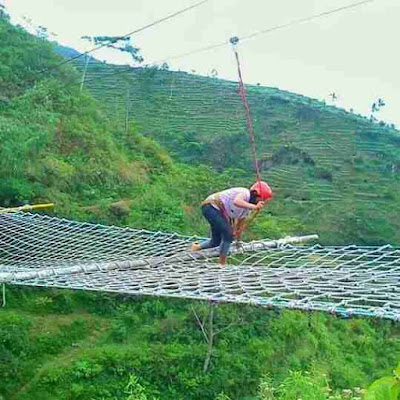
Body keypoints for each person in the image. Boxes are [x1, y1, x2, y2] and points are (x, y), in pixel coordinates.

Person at [191, 181, 273, 265]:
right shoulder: (245, 193)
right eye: (261, 199)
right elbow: (237, 202)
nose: (261, 202)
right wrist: (255, 207)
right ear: (255, 193)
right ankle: (222, 264)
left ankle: (196, 247)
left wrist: (238, 234)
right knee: (228, 233)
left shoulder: (246, 208)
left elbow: (241, 221)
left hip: (218, 212)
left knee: (216, 241)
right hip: (211, 207)